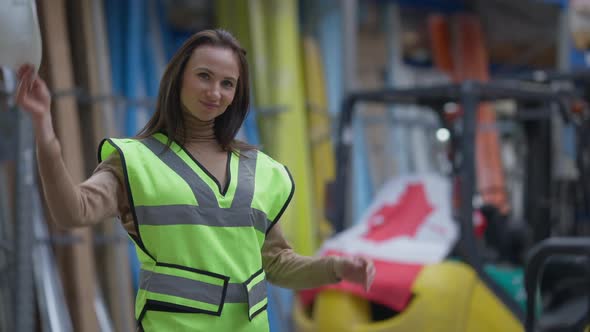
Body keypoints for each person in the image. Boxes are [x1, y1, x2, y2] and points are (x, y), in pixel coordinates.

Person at [15, 29, 375, 331]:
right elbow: (72, 211)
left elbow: (277, 264)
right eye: (204, 76)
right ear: (179, 77)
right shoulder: (137, 162)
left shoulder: (262, 172)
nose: (214, 92)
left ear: (237, 93)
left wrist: (336, 267)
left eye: (227, 83)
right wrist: (45, 132)